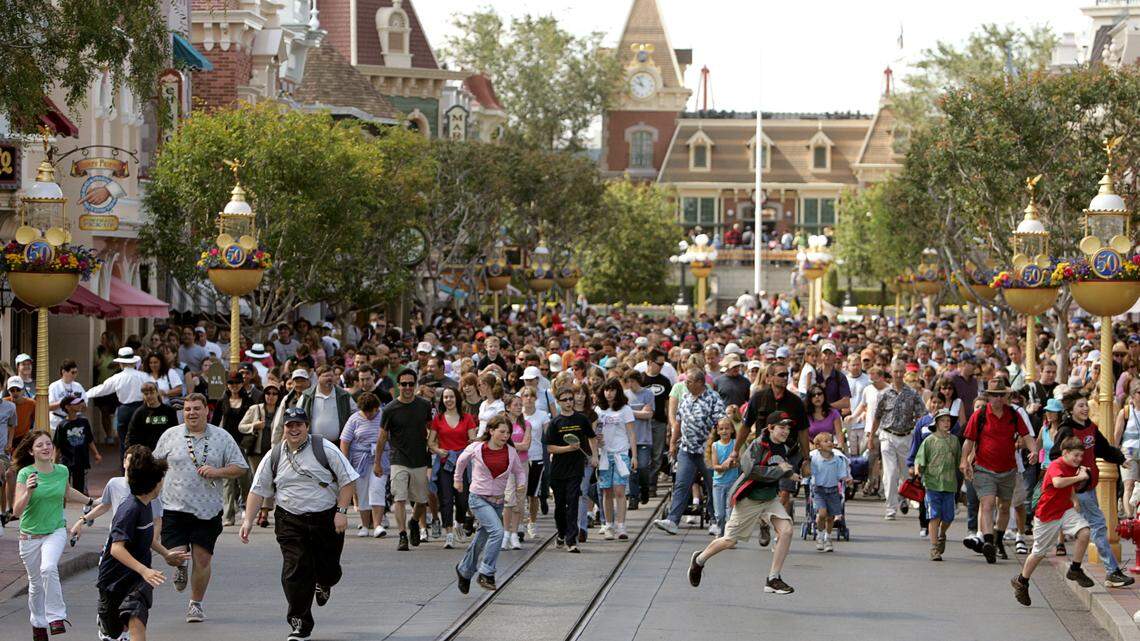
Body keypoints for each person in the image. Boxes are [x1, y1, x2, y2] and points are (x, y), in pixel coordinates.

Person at [242, 407, 357, 641]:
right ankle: (300, 623)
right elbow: (257, 490)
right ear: (283, 428)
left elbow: (348, 480)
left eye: (299, 425)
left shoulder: (324, 448)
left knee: (329, 569)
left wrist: (341, 511)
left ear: (306, 427)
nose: (294, 429)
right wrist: (247, 521)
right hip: (290, 519)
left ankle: (324, 582)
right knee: (295, 570)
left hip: (326, 518)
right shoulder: (274, 455)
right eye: (289, 425)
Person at [153, 393, 249, 623]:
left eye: (197, 408)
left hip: (208, 510)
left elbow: (241, 467)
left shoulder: (222, 437)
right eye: (187, 409)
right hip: (174, 507)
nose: (192, 413)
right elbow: (154, 464)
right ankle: (180, 566)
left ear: (207, 411)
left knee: (202, 559)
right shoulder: (170, 435)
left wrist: (218, 472)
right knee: (174, 556)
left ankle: (195, 604)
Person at [686, 412, 799, 595]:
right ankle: (699, 559)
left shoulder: (784, 447)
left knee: (786, 531)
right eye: (782, 427)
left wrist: (790, 472)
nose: (786, 431)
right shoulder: (757, 445)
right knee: (729, 541)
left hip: (769, 499)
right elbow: (749, 470)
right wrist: (780, 472)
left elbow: (782, 467)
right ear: (770, 428)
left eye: (788, 427)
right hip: (749, 498)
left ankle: (773, 578)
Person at [95, 449, 188, 641]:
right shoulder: (129, 509)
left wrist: (166, 554)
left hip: (137, 579)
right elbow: (116, 548)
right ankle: (106, 628)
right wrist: (145, 570)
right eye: (161, 479)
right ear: (153, 483)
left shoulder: (147, 504)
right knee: (114, 631)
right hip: (113, 581)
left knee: (136, 618)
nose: (163, 484)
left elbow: (147, 538)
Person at [12, 430, 96, 639]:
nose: (45, 448)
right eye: (39, 445)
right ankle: (38, 625)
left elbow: (67, 492)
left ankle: (56, 617)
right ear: (31, 451)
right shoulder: (25, 474)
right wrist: (29, 491)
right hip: (30, 536)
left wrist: (92, 502)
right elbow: (16, 511)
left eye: (48, 444)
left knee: (48, 569)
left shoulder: (61, 471)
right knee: (36, 585)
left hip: (55, 530)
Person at [1048, 392, 1133, 587]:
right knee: (1098, 525)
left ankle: (1078, 568)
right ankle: (1112, 571)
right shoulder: (1066, 430)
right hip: (1078, 488)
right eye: (1080, 406)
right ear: (1071, 410)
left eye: (1086, 405)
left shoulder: (1091, 427)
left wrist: (1121, 459)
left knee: (1092, 528)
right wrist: (1075, 473)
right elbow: (1055, 456)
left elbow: (1103, 448)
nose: (1085, 409)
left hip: (1089, 486)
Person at [1011, 436, 1096, 607]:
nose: (1079, 459)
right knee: (1039, 553)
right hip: (1047, 516)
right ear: (1065, 453)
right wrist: (1079, 477)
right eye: (1076, 455)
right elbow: (1058, 483)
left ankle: (1075, 569)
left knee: (1085, 531)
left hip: (1064, 510)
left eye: (1081, 456)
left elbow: (1068, 484)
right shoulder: (1056, 465)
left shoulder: (1073, 467)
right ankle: (1022, 581)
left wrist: (1074, 500)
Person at [960, 379, 1035, 564]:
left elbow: (1027, 436)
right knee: (987, 504)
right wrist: (964, 461)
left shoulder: (1013, 414)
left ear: (1006, 396)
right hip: (984, 468)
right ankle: (987, 542)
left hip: (1008, 469)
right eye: (995, 395)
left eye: (1002, 395)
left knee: (1004, 507)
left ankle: (997, 540)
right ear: (988, 396)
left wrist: (1034, 451)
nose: (999, 398)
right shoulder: (980, 415)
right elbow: (968, 441)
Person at [454, 415, 528, 593]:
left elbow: (519, 471)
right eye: (502, 432)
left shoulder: (510, 452)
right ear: (491, 430)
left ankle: (464, 570)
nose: (505, 436)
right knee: (497, 532)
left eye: (508, 433)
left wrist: (521, 483)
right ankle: (486, 572)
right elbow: (461, 461)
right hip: (478, 498)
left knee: (481, 540)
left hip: (498, 501)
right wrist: (458, 480)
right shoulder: (477, 448)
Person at [655, 366, 725, 535]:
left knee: (711, 485)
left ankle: (716, 521)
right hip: (686, 449)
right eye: (685, 381)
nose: (685, 384)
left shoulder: (713, 399)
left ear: (700, 382)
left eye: (689, 381)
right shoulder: (685, 397)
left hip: (707, 451)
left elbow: (722, 424)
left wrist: (717, 446)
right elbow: (678, 422)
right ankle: (673, 520)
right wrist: (672, 443)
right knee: (681, 484)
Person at [374, 369, 433, 551]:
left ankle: (414, 522)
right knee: (399, 498)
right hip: (398, 458)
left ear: (415, 385)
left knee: (422, 500)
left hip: (420, 458)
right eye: (403, 384)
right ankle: (402, 535)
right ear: (398, 386)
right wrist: (377, 462)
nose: (407, 387)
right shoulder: (390, 409)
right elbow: (382, 437)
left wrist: (435, 448)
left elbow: (431, 430)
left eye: (410, 384)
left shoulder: (424, 405)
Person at [869, 362, 926, 521]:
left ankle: (903, 497)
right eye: (896, 372)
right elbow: (877, 416)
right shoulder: (885, 394)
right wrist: (870, 437)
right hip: (887, 435)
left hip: (906, 437)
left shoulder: (912, 394)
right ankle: (890, 507)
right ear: (891, 373)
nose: (899, 375)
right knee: (890, 472)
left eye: (901, 372)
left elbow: (921, 414)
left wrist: (921, 435)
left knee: (904, 473)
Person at [546, 382, 596, 553]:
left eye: (570, 399)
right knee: (560, 506)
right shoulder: (555, 422)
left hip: (576, 468)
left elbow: (592, 437)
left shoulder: (581, 419)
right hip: (558, 470)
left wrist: (594, 456)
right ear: (558, 402)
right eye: (565, 400)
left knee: (573, 501)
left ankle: (571, 539)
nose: (569, 402)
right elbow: (550, 448)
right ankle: (561, 532)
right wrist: (568, 448)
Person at [430, 387, 476, 548]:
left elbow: (473, 440)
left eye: (451, 397)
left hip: (462, 463)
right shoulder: (439, 419)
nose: (448, 400)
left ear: (457, 398)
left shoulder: (467, 418)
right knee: (446, 499)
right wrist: (438, 450)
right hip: (445, 464)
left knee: (463, 499)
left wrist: (466, 450)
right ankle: (448, 533)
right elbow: (431, 442)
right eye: (445, 397)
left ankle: (459, 522)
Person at [85, 347, 150, 460]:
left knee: (124, 441)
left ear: (120, 363)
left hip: (124, 410)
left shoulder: (117, 377)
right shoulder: (144, 376)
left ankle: (125, 468)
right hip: (141, 409)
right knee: (142, 440)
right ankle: (142, 466)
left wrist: (84, 395)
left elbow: (102, 389)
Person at [914, 408, 961, 561]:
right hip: (932, 483)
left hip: (949, 483)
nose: (946, 423)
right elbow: (919, 459)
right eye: (943, 420)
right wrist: (917, 470)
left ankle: (942, 534)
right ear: (937, 423)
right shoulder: (929, 440)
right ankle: (934, 547)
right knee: (934, 515)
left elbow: (960, 461)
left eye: (948, 421)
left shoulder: (954, 441)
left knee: (948, 517)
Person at [594, 379, 637, 541]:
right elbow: (595, 430)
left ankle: (621, 525)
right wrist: (597, 441)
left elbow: (632, 433)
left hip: (621, 454)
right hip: (604, 454)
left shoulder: (625, 410)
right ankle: (609, 524)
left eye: (612, 390)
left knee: (619, 491)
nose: (609, 393)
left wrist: (635, 456)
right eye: (606, 390)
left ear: (618, 391)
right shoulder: (599, 410)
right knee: (606, 491)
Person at [339, 393, 385, 538]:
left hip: (380, 460)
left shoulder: (384, 416)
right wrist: (345, 463)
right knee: (362, 493)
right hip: (359, 462)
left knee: (377, 490)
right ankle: (365, 525)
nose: (368, 415)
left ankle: (377, 524)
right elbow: (345, 441)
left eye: (371, 411)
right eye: (365, 412)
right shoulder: (354, 419)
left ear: (376, 408)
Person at [809, 431, 851, 553]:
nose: (830, 443)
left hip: (833, 490)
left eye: (831, 441)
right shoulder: (815, 458)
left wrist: (847, 478)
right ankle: (820, 535)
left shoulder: (838, 459)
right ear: (818, 446)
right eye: (826, 441)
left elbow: (842, 474)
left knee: (831, 517)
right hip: (819, 490)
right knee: (822, 514)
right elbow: (809, 471)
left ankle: (828, 538)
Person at [52, 395, 100, 494]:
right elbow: (57, 446)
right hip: (66, 460)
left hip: (81, 459)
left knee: (80, 488)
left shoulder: (84, 421)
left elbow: (89, 440)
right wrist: (54, 462)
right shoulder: (62, 425)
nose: (79, 405)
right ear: (67, 407)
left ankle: (80, 503)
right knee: (64, 486)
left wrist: (96, 453)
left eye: (79, 402)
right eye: (76, 403)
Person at [300, 366, 356, 443]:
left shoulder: (344, 395)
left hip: (338, 444)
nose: (329, 378)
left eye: (332, 376)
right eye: (326, 376)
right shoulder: (307, 396)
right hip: (312, 443)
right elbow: (298, 415)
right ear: (318, 377)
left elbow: (355, 413)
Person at [707, 414, 739, 537]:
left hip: (732, 482)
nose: (724, 431)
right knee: (719, 514)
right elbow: (715, 466)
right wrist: (724, 466)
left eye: (727, 428)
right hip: (718, 484)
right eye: (721, 429)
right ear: (718, 431)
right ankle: (720, 531)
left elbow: (738, 462)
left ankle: (728, 536)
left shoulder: (735, 443)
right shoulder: (715, 445)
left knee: (730, 512)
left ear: (731, 430)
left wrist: (733, 463)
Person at [126, 382, 179, 452]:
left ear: (157, 393)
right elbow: (131, 435)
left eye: (152, 393)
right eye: (146, 394)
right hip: (146, 452)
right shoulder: (139, 413)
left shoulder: (169, 411)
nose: (149, 396)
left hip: (166, 450)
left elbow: (175, 431)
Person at [1114, 379, 1140, 517]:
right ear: (1133, 394)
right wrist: (1115, 454)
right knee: (1129, 484)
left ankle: (1138, 515)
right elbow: (1117, 435)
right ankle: (1130, 517)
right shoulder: (1125, 412)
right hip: (1128, 451)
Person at [47, 360, 84, 433]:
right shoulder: (54, 386)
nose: (75, 375)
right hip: (56, 424)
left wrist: (77, 404)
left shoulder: (78, 386)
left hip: (73, 424)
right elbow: (48, 407)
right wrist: (62, 402)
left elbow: (85, 407)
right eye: (72, 372)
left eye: (76, 372)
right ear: (63, 372)